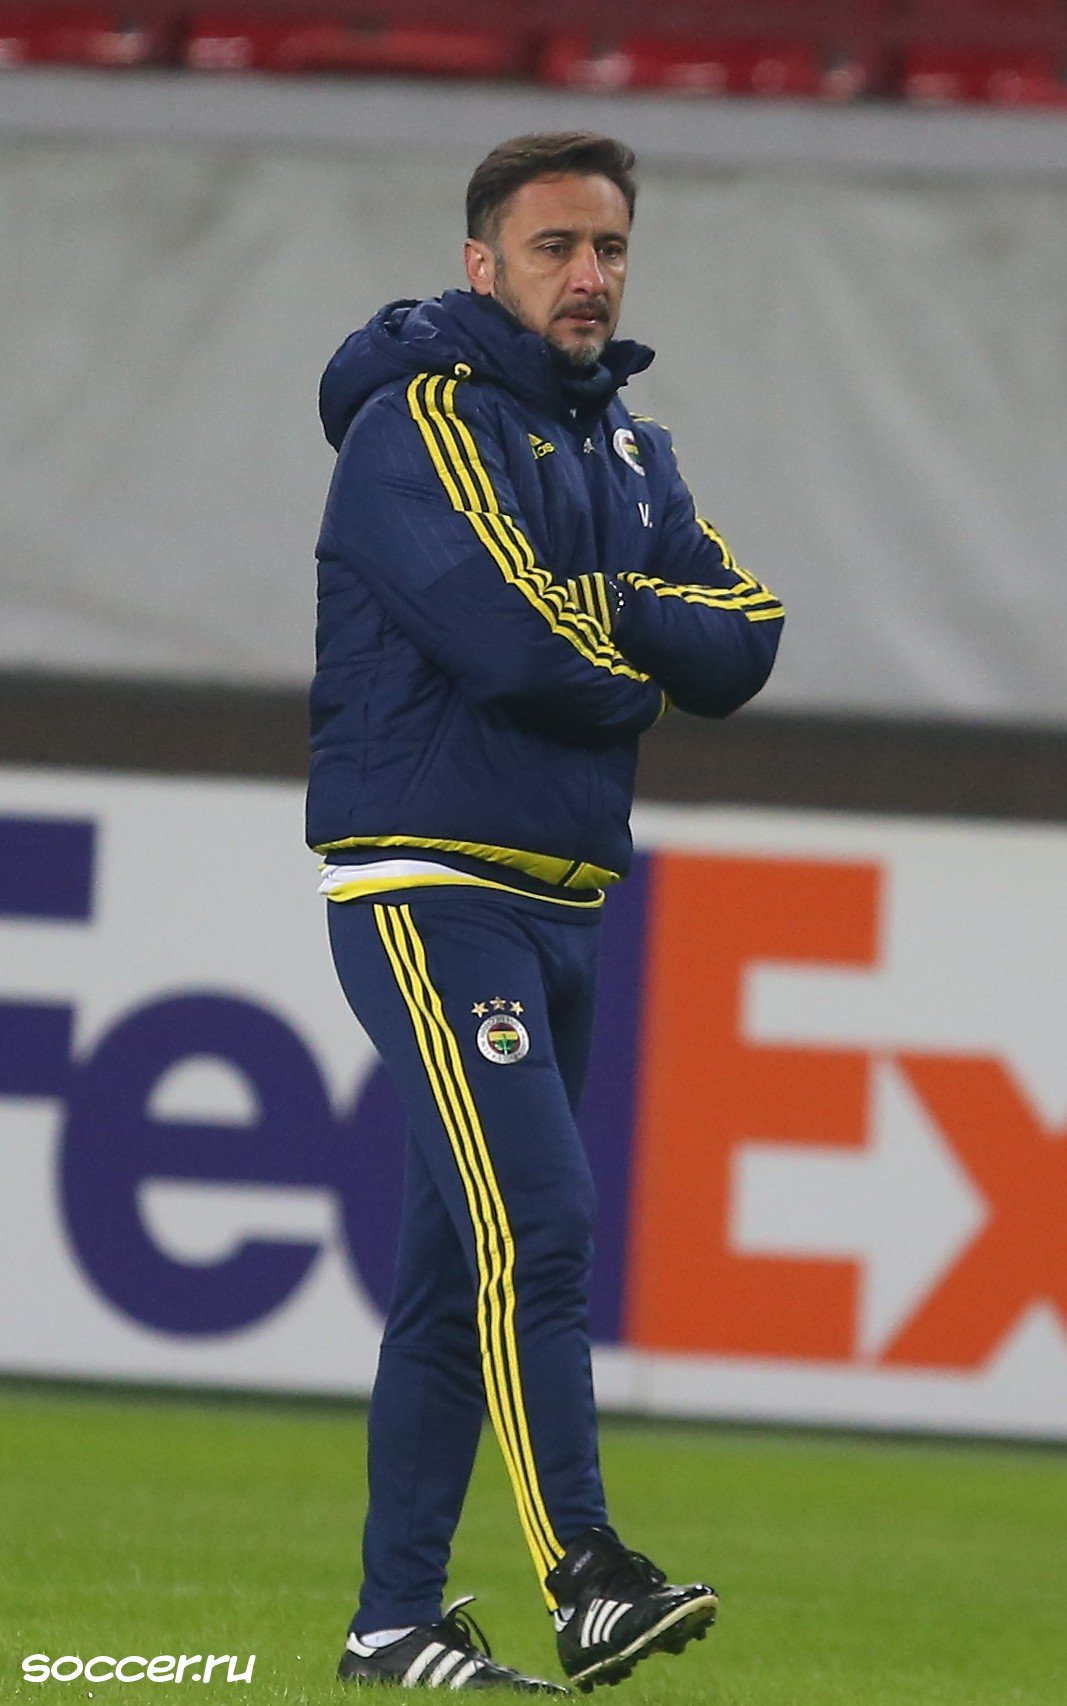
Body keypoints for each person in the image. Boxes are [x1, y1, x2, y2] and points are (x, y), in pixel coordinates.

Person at [307, 131, 784, 1694]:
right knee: (543, 1220)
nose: (590, 276)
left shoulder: (629, 448)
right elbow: (510, 646)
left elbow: (747, 635)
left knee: (464, 1270)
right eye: (555, 246)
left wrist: (609, 611)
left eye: (611, 249)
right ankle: (585, 1571)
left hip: (563, 894)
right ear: (481, 265)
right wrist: (637, 645)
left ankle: (391, 1627)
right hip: (432, 884)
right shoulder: (419, 421)